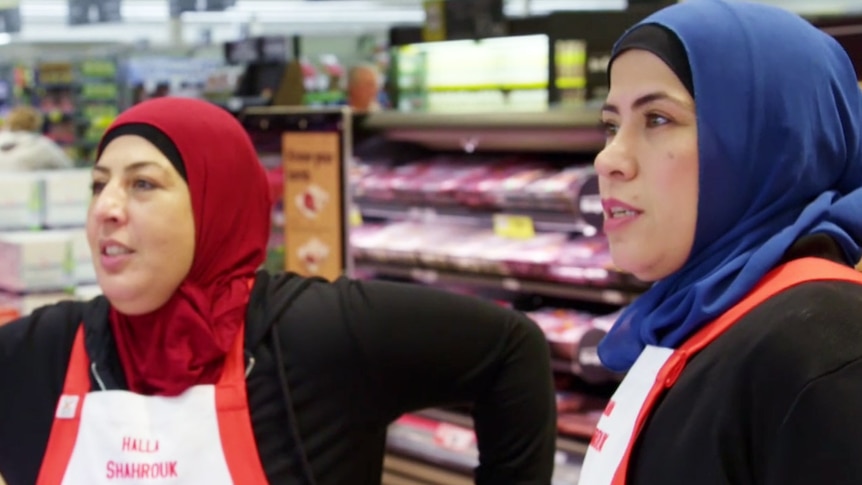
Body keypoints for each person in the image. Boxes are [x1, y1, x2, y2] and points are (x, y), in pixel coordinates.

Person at [0, 97, 557, 485]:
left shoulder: (316, 335)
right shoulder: (42, 352)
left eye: (142, 184)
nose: (107, 208)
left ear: (216, 204)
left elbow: (511, 349)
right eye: (99, 185)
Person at [578, 1, 862, 484]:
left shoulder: (822, 346)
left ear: (773, 141)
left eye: (657, 119)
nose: (609, 159)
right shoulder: (697, 311)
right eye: (611, 125)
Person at [0, 105, 73, 171]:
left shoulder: (2, 139)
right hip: (28, 184)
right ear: (36, 124)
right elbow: (67, 167)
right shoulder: (41, 144)